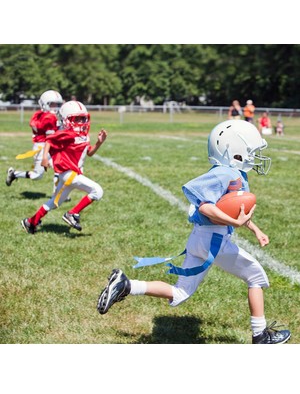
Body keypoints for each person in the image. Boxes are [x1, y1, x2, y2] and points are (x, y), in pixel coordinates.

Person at [96, 119, 291, 345]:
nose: (254, 156)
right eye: (251, 150)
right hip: (213, 240)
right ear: (234, 150)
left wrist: (255, 229)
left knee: (180, 292)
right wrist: (233, 222)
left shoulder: (235, 174)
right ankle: (260, 335)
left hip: (200, 238)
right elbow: (205, 206)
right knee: (256, 276)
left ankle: (127, 284)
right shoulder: (223, 173)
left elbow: (236, 211)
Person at [21, 100, 107, 234]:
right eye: (76, 118)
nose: (81, 121)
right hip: (69, 174)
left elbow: (89, 153)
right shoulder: (67, 133)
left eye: (82, 118)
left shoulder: (83, 134)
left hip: (72, 174)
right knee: (97, 191)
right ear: (66, 119)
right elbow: (49, 140)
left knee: (54, 203)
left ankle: (31, 222)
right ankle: (72, 214)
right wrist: (44, 157)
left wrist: (99, 143)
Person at [6, 90, 63, 194]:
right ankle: (14, 174)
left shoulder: (39, 114)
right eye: (53, 104)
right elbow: (50, 138)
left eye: (57, 104)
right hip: (44, 147)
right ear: (45, 104)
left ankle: (58, 194)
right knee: (37, 176)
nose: (56, 107)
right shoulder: (48, 117)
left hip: (45, 145)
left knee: (59, 168)